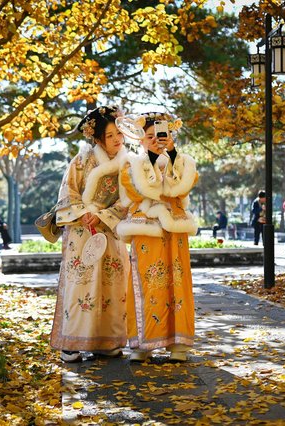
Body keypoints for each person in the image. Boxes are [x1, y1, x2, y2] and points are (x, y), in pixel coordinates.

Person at [50, 105, 131, 363]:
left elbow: (129, 199)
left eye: (119, 133)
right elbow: (68, 192)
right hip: (82, 231)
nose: (117, 140)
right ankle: (72, 342)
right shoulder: (81, 161)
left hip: (110, 231)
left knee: (112, 285)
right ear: (97, 139)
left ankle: (106, 342)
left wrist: (105, 215)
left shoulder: (128, 163)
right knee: (81, 284)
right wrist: (83, 213)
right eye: (110, 136)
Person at [117, 112, 198, 362]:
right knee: (146, 281)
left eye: (161, 135)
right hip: (146, 228)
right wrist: (152, 158)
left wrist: (172, 154)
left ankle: (178, 344)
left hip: (174, 227)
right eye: (149, 137)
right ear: (140, 140)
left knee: (177, 282)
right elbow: (136, 188)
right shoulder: (132, 163)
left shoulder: (180, 161)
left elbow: (186, 184)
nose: (155, 140)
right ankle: (142, 343)